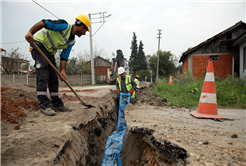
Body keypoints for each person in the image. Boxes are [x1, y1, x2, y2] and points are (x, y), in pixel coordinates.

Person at [25, 14, 91, 116]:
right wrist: (30, 33)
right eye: (85, 31)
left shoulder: (72, 41)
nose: (84, 33)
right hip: (39, 45)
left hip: (50, 52)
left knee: (53, 77)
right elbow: (44, 23)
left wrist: (63, 71)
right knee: (43, 74)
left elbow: (64, 56)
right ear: (82, 27)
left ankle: (56, 103)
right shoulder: (64, 26)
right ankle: (44, 104)